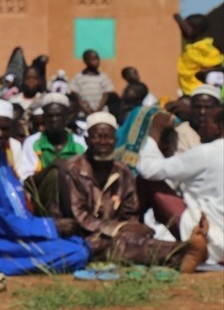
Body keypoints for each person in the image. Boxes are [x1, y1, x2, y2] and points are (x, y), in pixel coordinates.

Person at [0, 100, 89, 275]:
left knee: (77, 243)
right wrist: (49, 227)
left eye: (5, 129)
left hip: (8, 229)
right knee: (76, 252)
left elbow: (14, 205)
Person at [52, 113, 207, 272]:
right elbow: (81, 217)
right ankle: (181, 254)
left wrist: (130, 228)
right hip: (83, 236)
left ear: (116, 141)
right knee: (119, 246)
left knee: (137, 239)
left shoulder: (122, 171)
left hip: (116, 232)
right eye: (97, 137)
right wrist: (119, 229)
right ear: (86, 140)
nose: (103, 143)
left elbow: (131, 211)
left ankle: (185, 252)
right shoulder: (72, 170)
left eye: (108, 138)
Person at [136, 107, 223, 264]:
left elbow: (148, 170)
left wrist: (154, 133)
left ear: (219, 127)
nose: (200, 128)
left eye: (206, 123)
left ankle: (133, 232)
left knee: (149, 182)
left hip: (208, 238)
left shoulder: (206, 153)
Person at [16, 93, 86, 181]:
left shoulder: (80, 143)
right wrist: (53, 169)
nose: (54, 120)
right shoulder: (32, 143)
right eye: (50, 116)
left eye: (59, 115)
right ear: (44, 117)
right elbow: (26, 177)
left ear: (67, 117)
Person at [175, 13, 223, 96]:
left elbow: (218, 65)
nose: (182, 30)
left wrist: (206, 72)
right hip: (188, 91)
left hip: (203, 91)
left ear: (197, 29)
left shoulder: (204, 47)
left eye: (185, 27)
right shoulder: (190, 48)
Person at [69, 50, 114, 116]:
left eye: (97, 58)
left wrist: (98, 110)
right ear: (85, 61)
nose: (97, 61)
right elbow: (76, 95)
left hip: (101, 112)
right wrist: (85, 109)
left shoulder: (103, 77)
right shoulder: (78, 77)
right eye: (93, 59)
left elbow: (106, 94)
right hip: (83, 113)